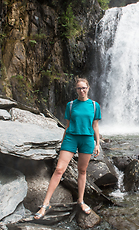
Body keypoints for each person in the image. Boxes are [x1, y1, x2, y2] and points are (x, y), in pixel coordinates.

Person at [34, 77, 101, 219]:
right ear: (76, 89)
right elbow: (68, 125)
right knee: (59, 170)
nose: (81, 90)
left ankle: (80, 201)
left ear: (88, 88)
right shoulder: (71, 105)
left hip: (87, 140)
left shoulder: (95, 106)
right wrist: (63, 142)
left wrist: (98, 143)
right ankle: (45, 204)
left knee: (82, 171)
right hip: (71, 138)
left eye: (84, 88)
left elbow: (95, 126)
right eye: (79, 88)